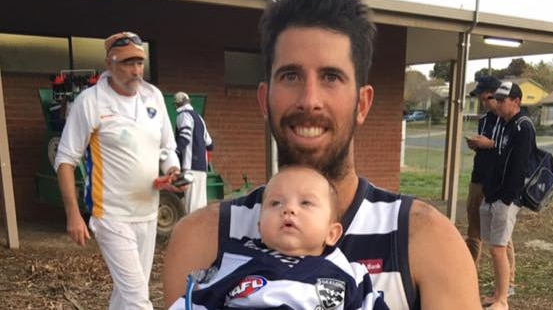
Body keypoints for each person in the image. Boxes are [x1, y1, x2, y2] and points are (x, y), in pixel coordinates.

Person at [163, 0, 481, 310]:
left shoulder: (426, 240)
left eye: (331, 76)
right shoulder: (204, 237)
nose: (309, 100)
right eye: (290, 75)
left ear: (362, 103)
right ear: (264, 99)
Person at [55, 31, 185, 310]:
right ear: (109, 64)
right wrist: (73, 214)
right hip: (111, 216)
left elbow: (167, 147)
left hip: (148, 214)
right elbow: (65, 159)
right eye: (127, 63)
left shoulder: (154, 97)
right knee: (138, 299)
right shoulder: (90, 102)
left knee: (125, 294)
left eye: (139, 62)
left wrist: (172, 170)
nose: (135, 70)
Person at [168, 165, 389, 310]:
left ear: (332, 234)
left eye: (306, 203)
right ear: (260, 226)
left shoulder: (350, 274)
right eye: (276, 203)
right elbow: (195, 303)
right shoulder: (235, 261)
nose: (289, 209)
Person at [481, 81, 534, 310]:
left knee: (498, 248)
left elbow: (519, 167)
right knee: (494, 248)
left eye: (503, 101)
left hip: (507, 198)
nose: (499, 105)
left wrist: (506, 199)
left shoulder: (523, 127)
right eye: (497, 100)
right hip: (493, 194)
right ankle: (497, 292)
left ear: (516, 102)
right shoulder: (504, 124)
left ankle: (503, 299)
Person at [465, 76, 516, 294]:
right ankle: (468, 272)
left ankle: (509, 281)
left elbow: (510, 151)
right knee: (474, 229)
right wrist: (477, 145)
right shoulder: (485, 119)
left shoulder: (510, 122)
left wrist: (490, 144)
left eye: (486, 98)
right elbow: (486, 147)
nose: (484, 103)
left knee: (500, 235)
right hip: (478, 179)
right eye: (481, 99)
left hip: (495, 184)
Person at [173, 91, 214, 213]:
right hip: (202, 167)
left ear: (178, 104)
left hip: (190, 166)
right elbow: (210, 144)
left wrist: (174, 153)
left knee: (190, 205)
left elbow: (185, 137)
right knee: (201, 204)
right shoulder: (199, 118)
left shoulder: (183, 115)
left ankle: (191, 231)